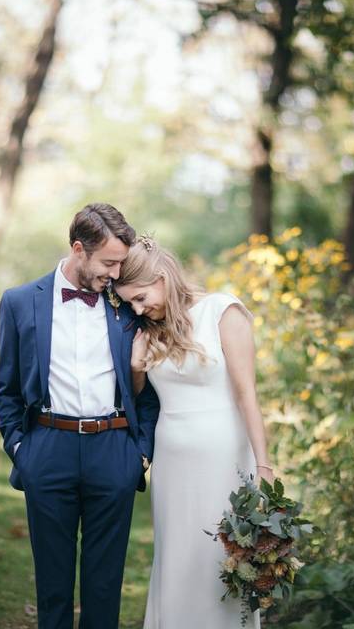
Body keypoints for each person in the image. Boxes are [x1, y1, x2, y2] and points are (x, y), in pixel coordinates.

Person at [0, 204, 160, 629]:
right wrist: (19, 448)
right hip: (47, 448)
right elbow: (7, 389)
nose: (117, 272)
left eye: (121, 262)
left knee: (105, 585)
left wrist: (139, 453)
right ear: (78, 249)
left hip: (114, 449)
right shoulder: (18, 302)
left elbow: (152, 390)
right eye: (108, 262)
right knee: (53, 582)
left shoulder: (128, 306)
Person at [114, 236, 273, 629]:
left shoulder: (222, 310)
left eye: (140, 296)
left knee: (222, 555)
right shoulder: (148, 331)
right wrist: (136, 369)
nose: (138, 308)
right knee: (178, 555)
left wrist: (266, 465)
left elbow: (246, 393)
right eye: (131, 303)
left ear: (161, 275)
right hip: (172, 463)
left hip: (224, 456)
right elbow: (140, 401)